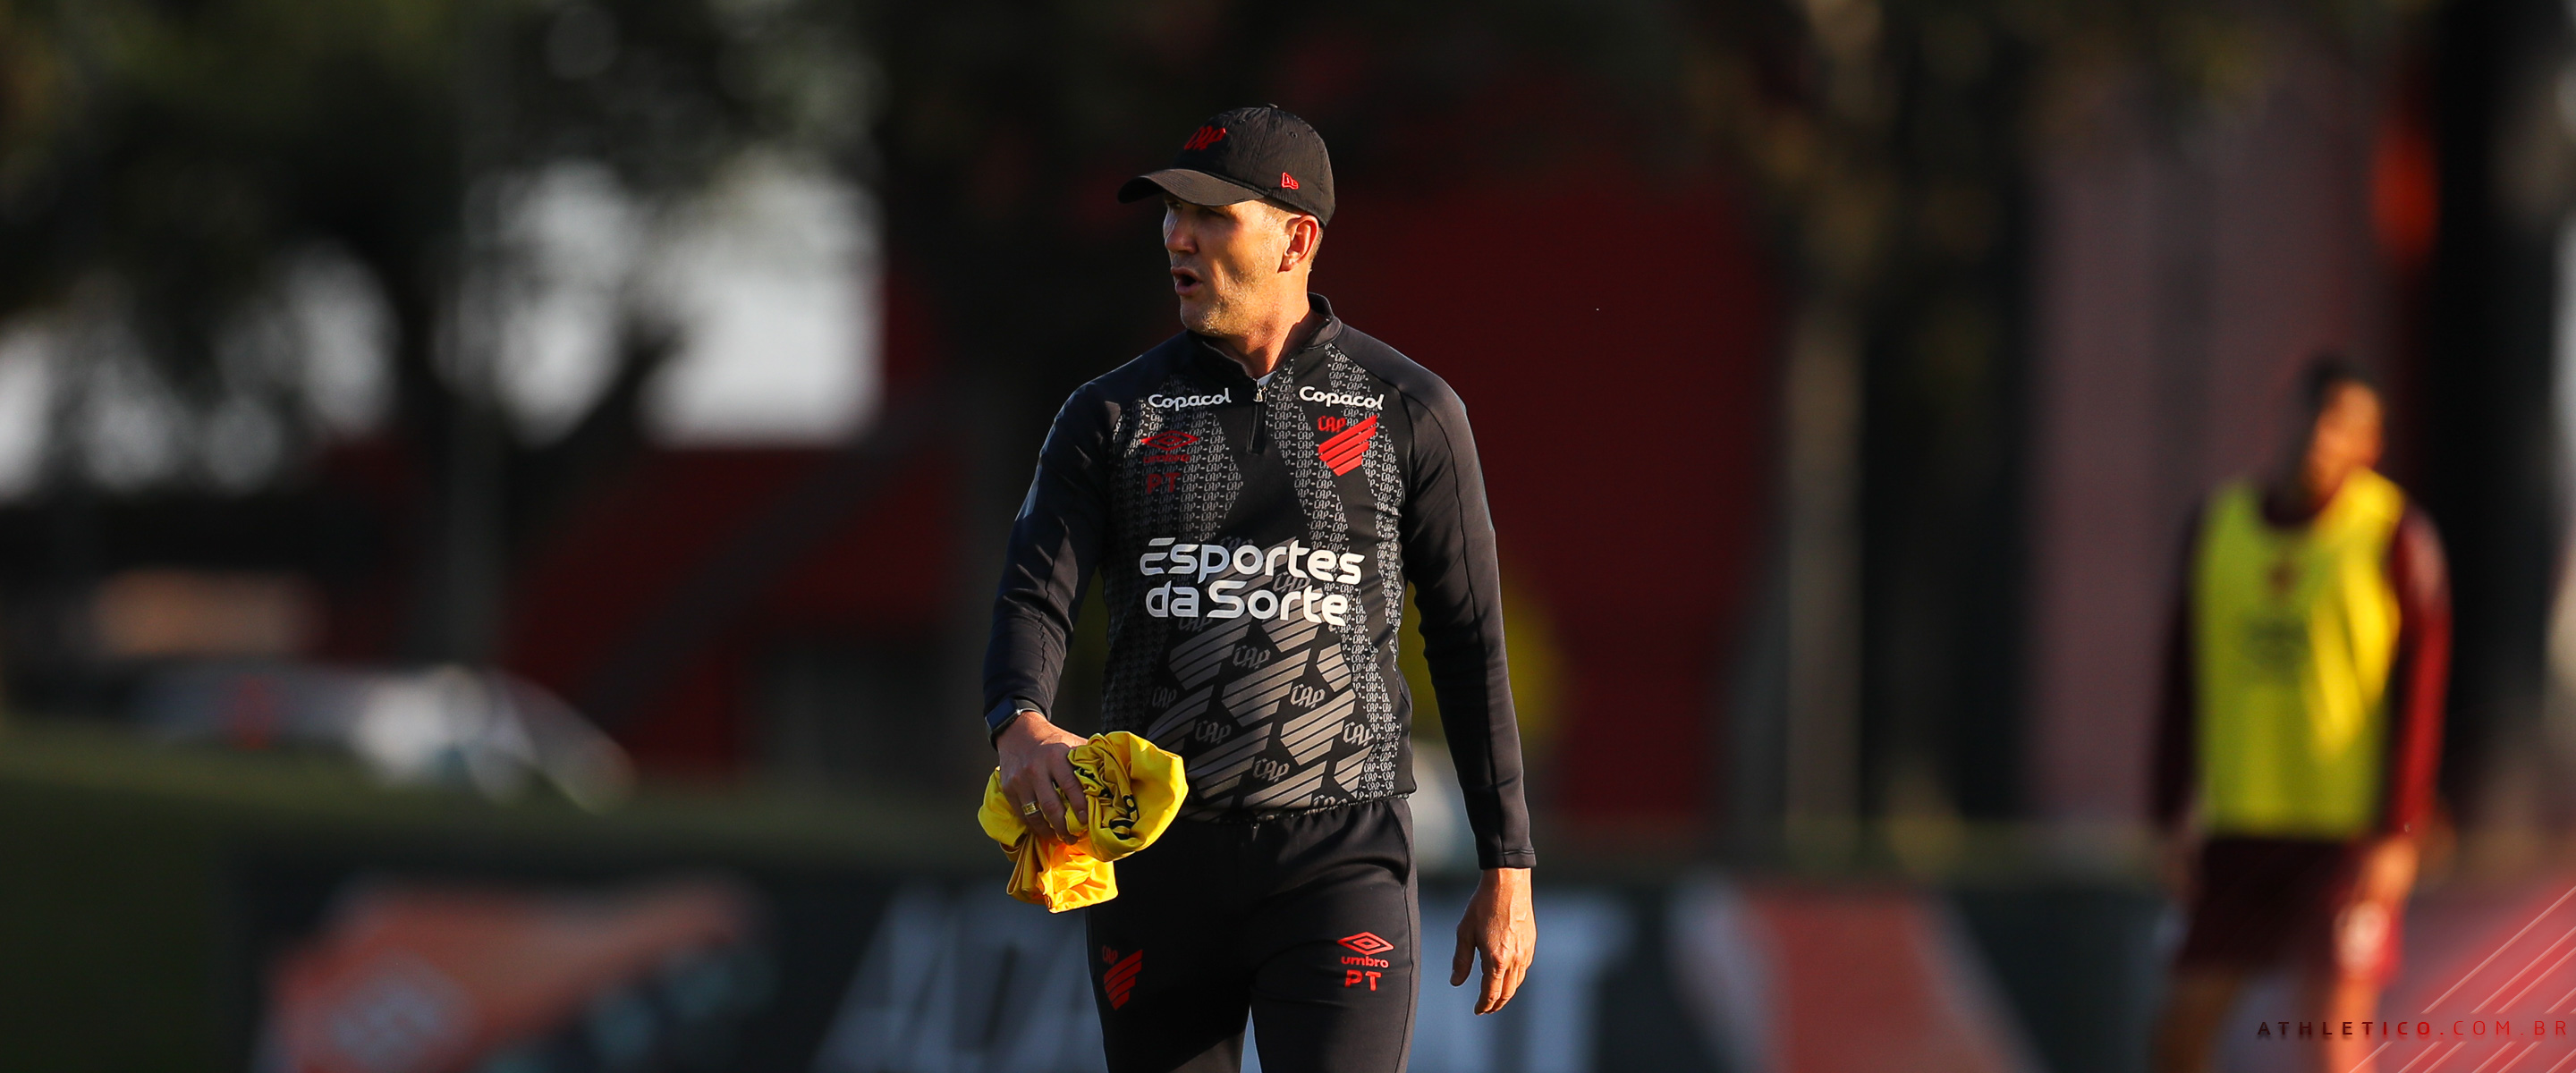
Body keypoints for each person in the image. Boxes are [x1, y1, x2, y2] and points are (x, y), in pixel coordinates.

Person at [981, 105, 1538, 1072]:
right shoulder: (1109, 415)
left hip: (1339, 856)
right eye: (1170, 213)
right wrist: (1019, 722)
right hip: (1156, 860)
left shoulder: (1410, 410)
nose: (1176, 237)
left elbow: (1469, 641)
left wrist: (1509, 863)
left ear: (1297, 239)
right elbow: (1034, 595)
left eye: (1210, 215)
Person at [2149, 358, 2451, 1073]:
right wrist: (2168, 808)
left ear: (2371, 444)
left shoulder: (2394, 535)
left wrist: (2400, 830)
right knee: (2178, 1036)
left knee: (2330, 1044)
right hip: (2240, 827)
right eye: (2316, 415)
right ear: (2286, 415)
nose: (2322, 438)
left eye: (2346, 426)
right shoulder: (2218, 527)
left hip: (2345, 836)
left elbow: (2422, 690)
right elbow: (2182, 676)